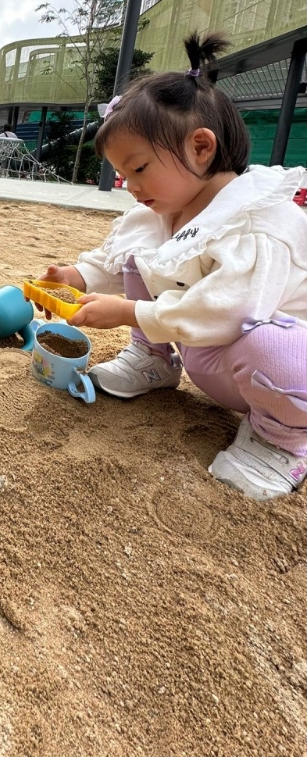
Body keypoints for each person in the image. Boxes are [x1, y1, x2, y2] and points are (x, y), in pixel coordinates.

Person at [41, 31, 307, 501]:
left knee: (275, 348)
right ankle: (153, 360)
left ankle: (281, 441)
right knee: (143, 255)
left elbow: (232, 309)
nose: (130, 186)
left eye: (139, 168)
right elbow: (118, 258)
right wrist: (74, 278)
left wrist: (130, 312)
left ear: (201, 147)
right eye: (122, 174)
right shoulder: (166, 210)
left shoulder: (257, 220)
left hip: (274, 375)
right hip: (208, 355)